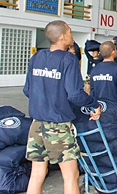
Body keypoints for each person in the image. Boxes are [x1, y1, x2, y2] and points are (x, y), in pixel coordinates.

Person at [23, 20, 101, 194]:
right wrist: (93, 104)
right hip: (58, 126)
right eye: (70, 32)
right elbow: (75, 94)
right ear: (63, 36)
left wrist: (45, 100)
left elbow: (28, 90)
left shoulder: (36, 57)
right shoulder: (68, 59)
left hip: (36, 124)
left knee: (36, 174)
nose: (72, 36)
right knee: (70, 175)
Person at [90, 41, 117, 114]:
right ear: (113, 52)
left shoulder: (95, 69)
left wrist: (94, 107)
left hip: (99, 108)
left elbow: (92, 91)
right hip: (114, 110)